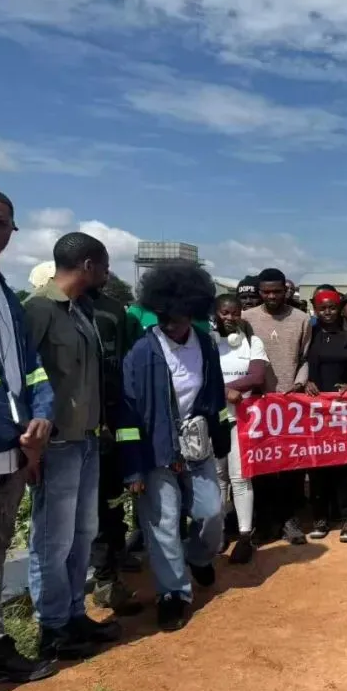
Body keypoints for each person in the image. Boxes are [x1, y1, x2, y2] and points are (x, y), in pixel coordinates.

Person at [0, 188, 56, 691]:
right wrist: (20, 432)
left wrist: (42, 415)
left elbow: (31, 366)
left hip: (11, 443)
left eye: (0, 223)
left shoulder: (2, 290)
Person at [118, 262, 229, 633]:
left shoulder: (206, 346)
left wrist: (221, 435)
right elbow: (127, 412)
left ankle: (198, 556)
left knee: (211, 512)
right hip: (154, 450)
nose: (168, 323)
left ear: (192, 312)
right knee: (163, 523)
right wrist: (133, 468)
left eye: (176, 317)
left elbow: (215, 395)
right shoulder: (141, 352)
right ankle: (173, 594)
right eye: (163, 315)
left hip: (197, 444)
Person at [25, 232, 120, 660]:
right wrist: (30, 443)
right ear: (87, 265)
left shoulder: (81, 311)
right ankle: (53, 628)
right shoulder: (39, 310)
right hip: (57, 443)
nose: (107, 273)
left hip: (87, 440)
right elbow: (22, 378)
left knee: (83, 534)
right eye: (104, 266)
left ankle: (74, 614)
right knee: (53, 540)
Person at [242, 268, 311, 545]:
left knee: (292, 466)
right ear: (260, 292)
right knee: (262, 466)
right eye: (266, 292)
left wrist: (299, 382)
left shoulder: (302, 319)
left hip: (290, 404)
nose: (271, 296)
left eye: (277, 291)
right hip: (257, 404)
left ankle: (289, 520)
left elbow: (304, 358)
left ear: (286, 291)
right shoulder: (246, 318)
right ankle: (265, 523)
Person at [88, 277, 143, 617]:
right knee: (85, 512)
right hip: (71, 431)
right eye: (103, 266)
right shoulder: (47, 309)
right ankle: (99, 578)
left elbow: (123, 363)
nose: (107, 273)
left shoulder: (112, 311)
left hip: (111, 424)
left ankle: (109, 575)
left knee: (109, 503)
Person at [292, 289, 347, 543]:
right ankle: (320, 517)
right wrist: (306, 381)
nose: (328, 312)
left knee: (345, 466)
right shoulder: (309, 334)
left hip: (343, 409)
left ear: (340, 308)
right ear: (315, 309)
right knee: (318, 465)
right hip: (315, 409)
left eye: (332, 307)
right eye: (323, 308)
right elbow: (301, 362)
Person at [213, 294, 267, 564]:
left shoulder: (252, 342)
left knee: (240, 477)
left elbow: (257, 376)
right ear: (216, 314)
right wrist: (224, 391)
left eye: (235, 313)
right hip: (214, 419)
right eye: (225, 312)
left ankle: (245, 536)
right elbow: (199, 376)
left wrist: (223, 388)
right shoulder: (207, 341)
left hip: (242, 419)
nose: (230, 317)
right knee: (217, 477)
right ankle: (220, 531)